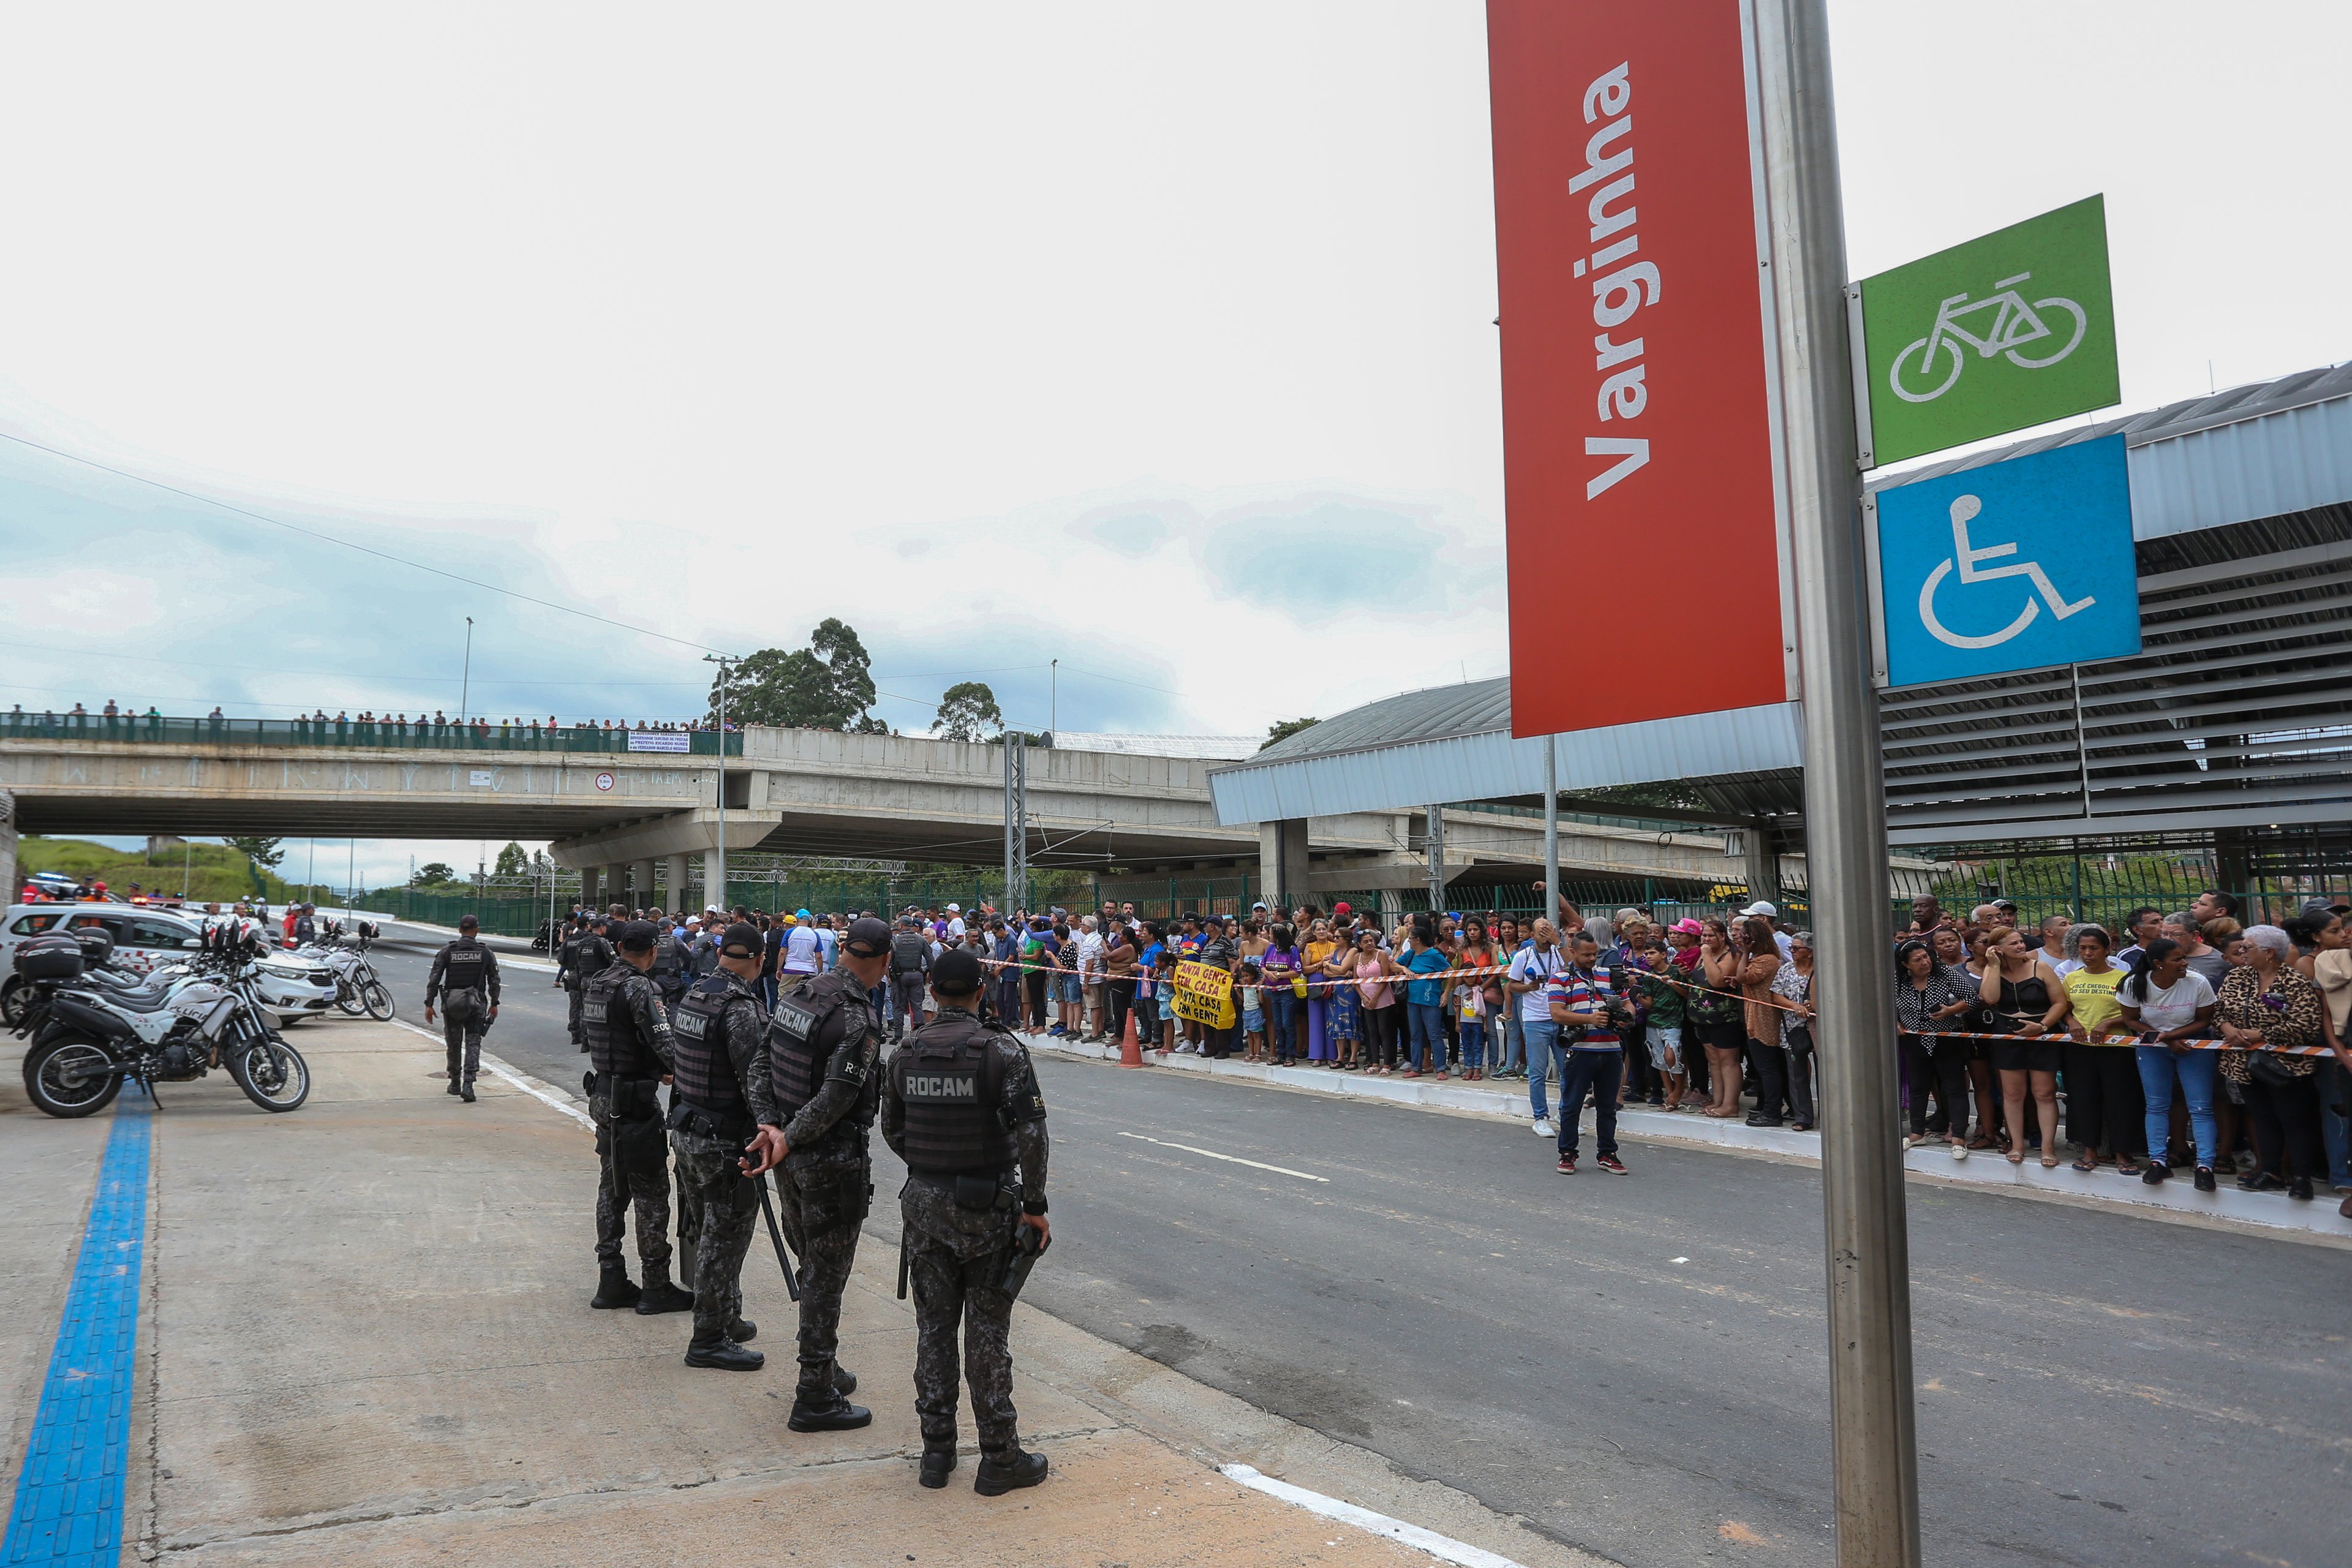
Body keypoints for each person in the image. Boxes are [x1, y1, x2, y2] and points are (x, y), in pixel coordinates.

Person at [879, 949, 1052, 1494]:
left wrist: (933, 1168)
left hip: (925, 1206)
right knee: (986, 1334)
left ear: (931, 988)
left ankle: (937, 1452)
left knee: (933, 1330)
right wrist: (1036, 1206)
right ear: (982, 991)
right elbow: (1032, 1137)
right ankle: (1000, 1457)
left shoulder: (905, 1051)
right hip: (988, 1212)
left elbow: (892, 1129)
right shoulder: (1002, 1051)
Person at [748, 914, 894, 1430]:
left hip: (788, 1154)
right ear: (885, 962)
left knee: (812, 1265)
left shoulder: (801, 993)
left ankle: (824, 1365)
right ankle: (814, 1393)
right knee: (826, 1278)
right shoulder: (857, 1018)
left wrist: (770, 1126)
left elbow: (760, 1062)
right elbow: (838, 1097)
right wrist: (785, 1136)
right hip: (827, 1160)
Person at [665, 922, 772, 1370]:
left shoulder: (697, 993)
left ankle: (725, 1314)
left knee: (711, 1228)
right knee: (723, 1240)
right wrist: (770, 1127)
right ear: (759, 961)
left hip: (689, 1129)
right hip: (723, 1140)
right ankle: (708, 1338)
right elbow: (755, 1078)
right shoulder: (741, 1007)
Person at [581, 921, 692, 1314]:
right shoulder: (639, 986)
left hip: (604, 1093)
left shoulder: (599, 982)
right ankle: (656, 1285)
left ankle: (610, 1277)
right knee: (651, 1194)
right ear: (652, 953)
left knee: (611, 1189)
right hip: (635, 1103)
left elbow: (604, 1034)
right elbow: (665, 1043)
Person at [2215, 924, 2328, 1200]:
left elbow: (2307, 1025)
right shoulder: (2237, 977)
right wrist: (2228, 1028)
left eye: (2247, 947)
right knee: (2263, 1119)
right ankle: (2271, 1172)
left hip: (2285, 1066)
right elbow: (2218, 1010)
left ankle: (2301, 1178)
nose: (2241, 951)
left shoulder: (2294, 981)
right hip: (2243, 1064)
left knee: (2293, 1121)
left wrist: (2262, 1034)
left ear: (2269, 953)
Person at [2117, 937, 2219, 1192]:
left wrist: (2172, 1038)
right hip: (2154, 1049)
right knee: (2156, 1105)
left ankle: (2206, 1166)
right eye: (2178, 959)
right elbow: (2131, 1020)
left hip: (2193, 1047)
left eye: (2184, 958)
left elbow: (2205, 1020)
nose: (2185, 963)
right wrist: (2165, 1040)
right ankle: (2158, 1161)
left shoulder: (2197, 982)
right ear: (2158, 964)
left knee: (2201, 1107)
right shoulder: (2133, 983)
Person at [1979, 926, 2071, 1167]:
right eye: (2014, 944)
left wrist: (2041, 1026)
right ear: (1999, 949)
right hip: (2007, 1037)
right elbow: (1989, 999)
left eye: (2021, 942)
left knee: (2044, 1093)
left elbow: (2060, 1003)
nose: (2021, 947)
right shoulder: (1993, 970)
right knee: (2012, 1094)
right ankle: (2017, 1143)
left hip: (2041, 1034)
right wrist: (1994, 965)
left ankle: (2048, 1147)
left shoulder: (2039, 967)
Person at [2059, 924, 2143, 1175]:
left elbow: (2135, 1011)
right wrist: (2072, 1022)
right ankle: (2089, 1151)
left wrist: (2109, 1023)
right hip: (2081, 1049)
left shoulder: (2123, 978)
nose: (2088, 953)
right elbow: (2064, 1007)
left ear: (2108, 950)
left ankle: (2122, 1153)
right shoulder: (2072, 978)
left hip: (2116, 1048)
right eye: (2083, 948)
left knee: (2120, 1101)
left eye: (2094, 948)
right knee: (2084, 1100)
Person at [1549, 933, 1628, 1174]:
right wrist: (1590, 1019)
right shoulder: (1560, 979)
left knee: (1607, 1107)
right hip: (1580, 1051)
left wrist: (1626, 1018)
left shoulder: (1609, 976)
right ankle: (1567, 1154)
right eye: (1587, 954)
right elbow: (1557, 1014)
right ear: (1572, 952)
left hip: (1612, 1050)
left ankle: (1607, 1154)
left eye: (1595, 954)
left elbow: (1626, 1004)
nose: (1592, 958)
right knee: (1571, 1106)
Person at [1894, 938, 1974, 1155]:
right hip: (1914, 1040)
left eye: (1925, 957)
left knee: (1954, 1088)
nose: (1924, 962)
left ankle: (1958, 1137)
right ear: (1905, 965)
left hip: (1946, 1038)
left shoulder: (1946, 974)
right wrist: (1896, 1022)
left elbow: (1972, 999)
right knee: (1918, 1087)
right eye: (1917, 960)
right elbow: (1884, 1003)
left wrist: (1950, 1011)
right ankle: (1917, 1133)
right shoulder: (1898, 980)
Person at [423, 914, 500, 1104]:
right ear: (477, 930)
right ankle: (469, 1085)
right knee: (473, 1043)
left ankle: (455, 1082)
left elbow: (434, 979)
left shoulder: (448, 951)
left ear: (459, 930)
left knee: (453, 1043)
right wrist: (494, 1004)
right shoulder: (485, 953)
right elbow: (494, 981)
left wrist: (429, 1004)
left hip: (452, 1003)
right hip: (476, 1003)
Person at [1510, 919, 1566, 1132]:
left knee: (1567, 1070)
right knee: (1537, 1071)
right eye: (1541, 932)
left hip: (1560, 1018)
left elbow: (1573, 967)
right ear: (1532, 936)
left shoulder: (1559, 952)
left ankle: (1565, 1113)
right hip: (1535, 1020)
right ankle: (1540, 1117)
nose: (1545, 935)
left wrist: (1558, 941)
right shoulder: (1523, 957)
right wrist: (1527, 987)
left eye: (1548, 930)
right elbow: (1512, 985)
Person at [1736, 916, 1789, 1128]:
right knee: (1761, 1068)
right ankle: (1766, 1107)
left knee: (1768, 1068)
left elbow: (1742, 977)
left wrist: (1745, 953)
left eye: (1745, 937)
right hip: (1754, 1015)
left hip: (1764, 1019)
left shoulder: (1767, 960)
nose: (1741, 940)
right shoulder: (1758, 959)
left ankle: (1772, 1112)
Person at [1771, 932, 1818, 1130]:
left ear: (1810, 952)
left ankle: (1832, 1114)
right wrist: (1794, 1006)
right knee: (1796, 1073)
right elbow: (1775, 996)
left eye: (1797, 948)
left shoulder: (1822, 970)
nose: (1793, 951)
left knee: (1826, 1071)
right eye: (1792, 948)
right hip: (1792, 1027)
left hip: (1818, 1028)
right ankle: (1802, 1117)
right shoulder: (1786, 970)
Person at [888, 916, 932, 1040]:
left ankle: (898, 1037)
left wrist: (888, 975)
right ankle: (918, 1035)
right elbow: (930, 958)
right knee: (917, 1005)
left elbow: (888, 960)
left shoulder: (895, 940)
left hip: (899, 977)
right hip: (916, 975)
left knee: (898, 1006)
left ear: (901, 926)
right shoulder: (920, 939)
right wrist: (932, 974)